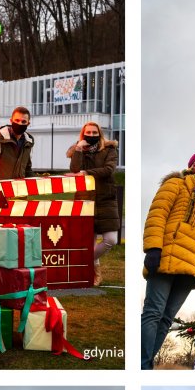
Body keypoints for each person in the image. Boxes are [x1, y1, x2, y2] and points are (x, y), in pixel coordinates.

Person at [142, 151, 195, 369]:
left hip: (193, 266)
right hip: (166, 257)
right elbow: (157, 214)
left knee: (167, 317)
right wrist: (153, 247)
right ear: (191, 164)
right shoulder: (176, 184)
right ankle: (142, 363)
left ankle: (147, 362)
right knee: (154, 311)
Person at [68, 121, 120, 286]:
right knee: (88, 240)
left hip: (105, 199)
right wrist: (78, 149)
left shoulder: (109, 149)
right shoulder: (78, 149)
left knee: (110, 239)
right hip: (85, 198)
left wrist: (87, 173)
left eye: (94, 133)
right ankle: (93, 274)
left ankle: (85, 262)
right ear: (83, 134)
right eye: (87, 133)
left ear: (99, 134)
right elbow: (75, 169)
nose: (91, 135)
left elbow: (109, 170)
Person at [0, 107, 35, 182]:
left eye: (23, 122)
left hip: (19, 190)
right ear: (11, 121)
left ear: (28, 123)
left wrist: (40, 182)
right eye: (17, 120)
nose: (20, 123)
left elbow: (27, 169)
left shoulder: (28, 142)